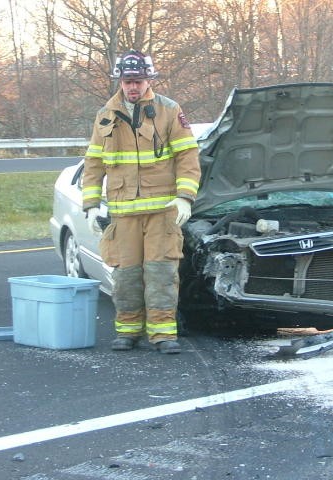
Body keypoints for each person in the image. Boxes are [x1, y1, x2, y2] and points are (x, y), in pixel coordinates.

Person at [82, 50, 201, 353]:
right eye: (128, 81)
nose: (133, 86)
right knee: (125, 275)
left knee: (161, 274)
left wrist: (185, 197)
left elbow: (188, 155)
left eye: (138, 80)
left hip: (162, 212)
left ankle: (163, 334)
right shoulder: (105, 115)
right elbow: (93, 162)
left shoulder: (169, 110)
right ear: (120, 81)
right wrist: (91, 204)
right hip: (123, 213)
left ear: (149, 80)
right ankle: (128, 330)